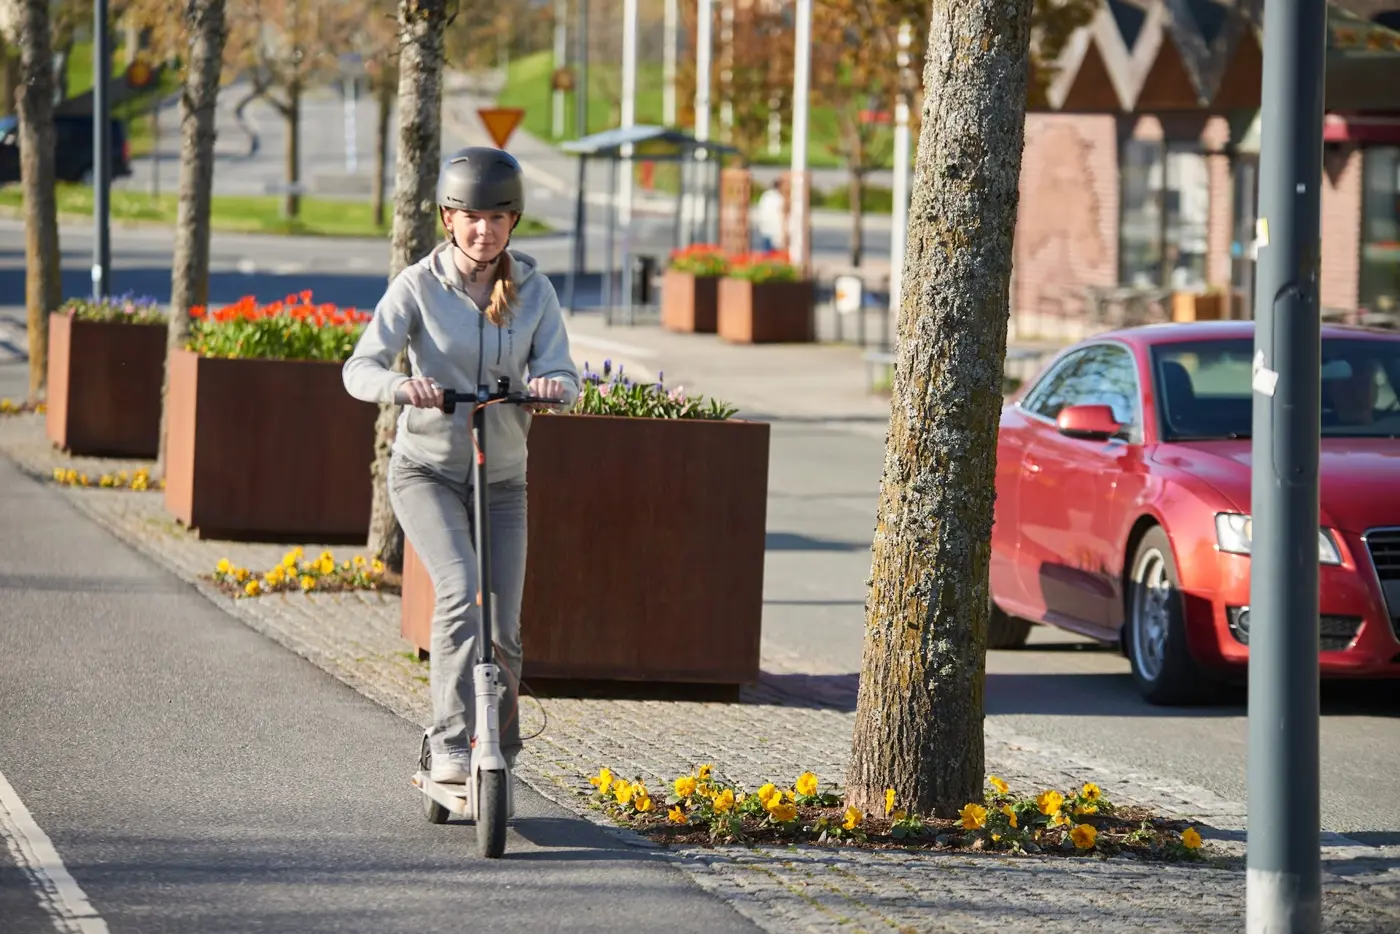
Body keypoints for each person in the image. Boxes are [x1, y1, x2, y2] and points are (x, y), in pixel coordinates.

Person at [342, 147, 581, 783]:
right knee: (459, 593)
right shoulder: (417, 286)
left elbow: (563, 370)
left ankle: (496, 752)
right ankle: (448, 739)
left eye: (498, 217)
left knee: (503, 625)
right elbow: (359, 368)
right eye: (471, 215)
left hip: (502, 479)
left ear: (514, 223)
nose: (485, 229)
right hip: (428, 473)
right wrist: (400, 388)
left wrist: (554, 387)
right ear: (449, 218)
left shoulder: (534, 290)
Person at [754, 179, 786, 253]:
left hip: (765, 224)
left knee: (766, 248)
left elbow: (760, 209)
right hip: (775, 226)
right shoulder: (779, 197)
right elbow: (781, 212)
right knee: (774, 250)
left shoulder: (765, 196)